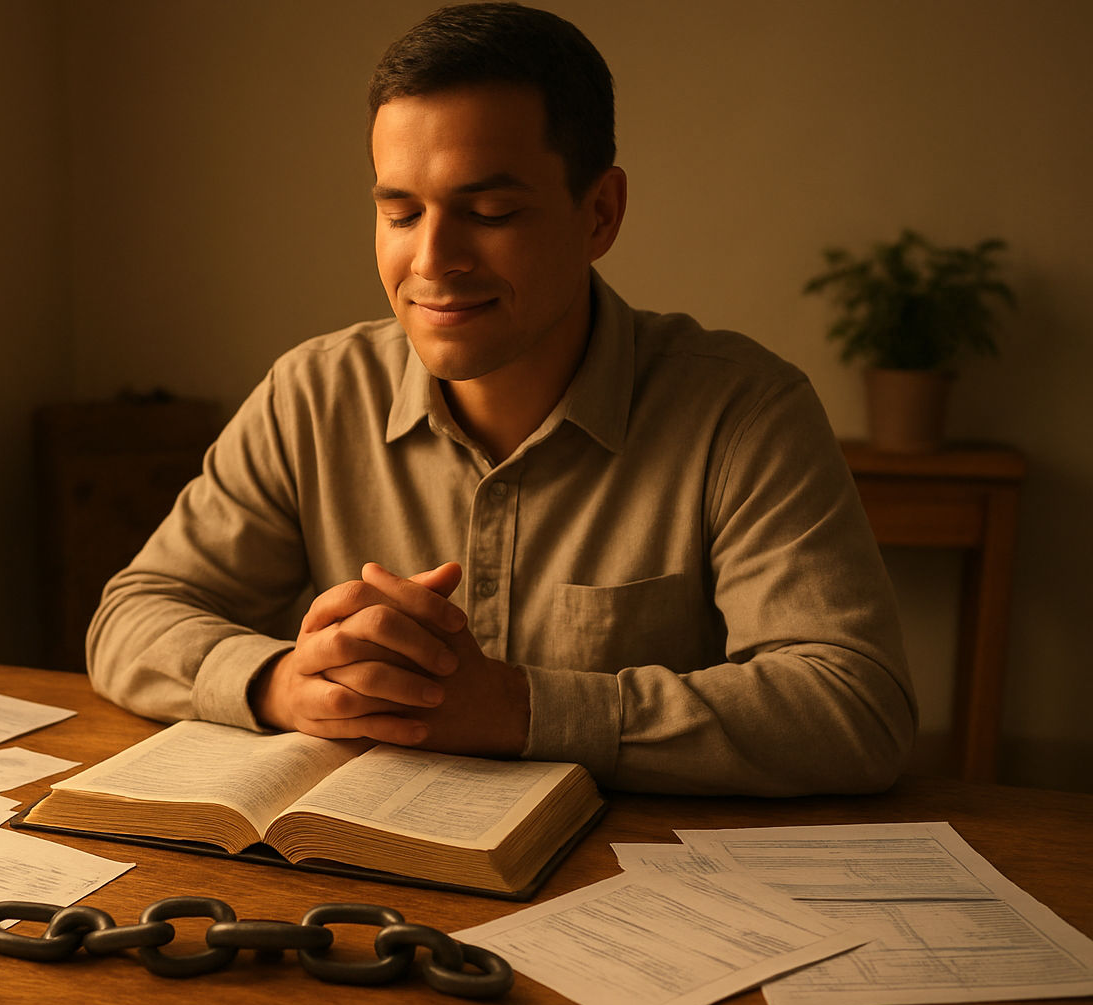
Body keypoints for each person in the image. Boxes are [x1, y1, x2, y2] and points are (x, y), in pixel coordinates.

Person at [85, 2, 916, 796]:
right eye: (400, 212)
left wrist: (522, 710)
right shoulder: (314, 393)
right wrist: (279, 685)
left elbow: (856, 707)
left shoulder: (744, 413)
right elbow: (133, 617)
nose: (433, 260)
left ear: (600, 213)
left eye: (487, 211)